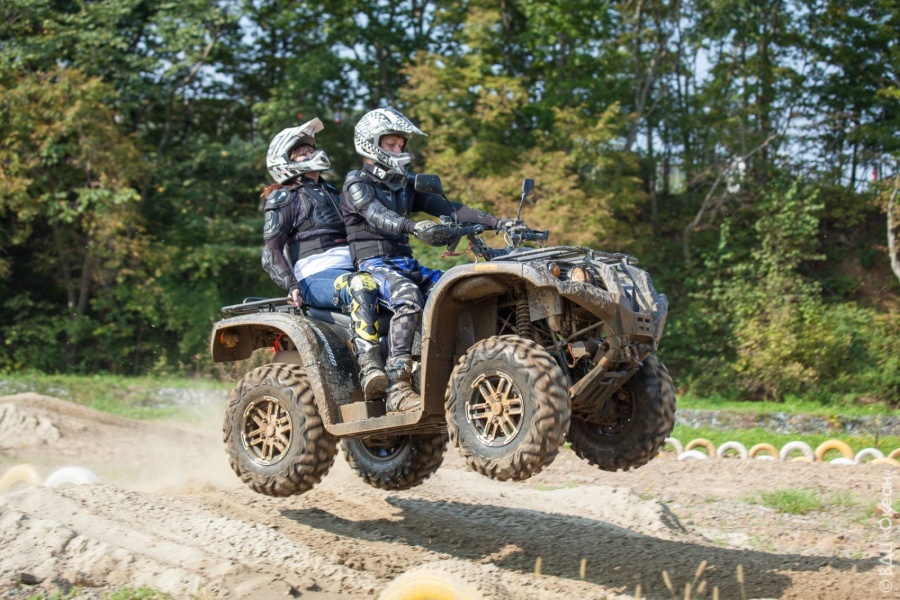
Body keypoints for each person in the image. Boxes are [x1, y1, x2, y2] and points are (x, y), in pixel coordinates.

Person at [341, 107, 510, 413]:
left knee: (458, 285)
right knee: (407, 297)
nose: (398, 149)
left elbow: (449, 208)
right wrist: (413, 227)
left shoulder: (403, 183)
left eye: (400, 144)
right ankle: (397, 386)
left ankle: (471, 366)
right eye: (390, 144)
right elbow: (376, 215)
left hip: (406, 264)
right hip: (374, 266)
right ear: (370, 144)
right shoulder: (357, 183)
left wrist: (498, 222)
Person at [261, 118, 387, 399]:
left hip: (354, 268)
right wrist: (291, 285)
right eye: (301, 152)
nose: (311, 153)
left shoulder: (335, 193)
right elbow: (270, 251)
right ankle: (370, 368)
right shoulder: (284, 198)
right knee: (359, 285)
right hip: (314, 275)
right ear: (284, 161)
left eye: (311, 148)